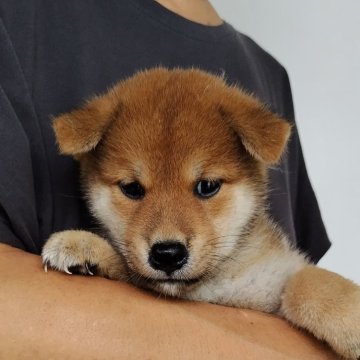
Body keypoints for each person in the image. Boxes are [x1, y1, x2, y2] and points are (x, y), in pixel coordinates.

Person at [0, 0, 333, 358]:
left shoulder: (269, 75)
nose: (167, 234)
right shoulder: (20, 18)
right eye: (132, 189)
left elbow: (297, 292)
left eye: (206, 187)